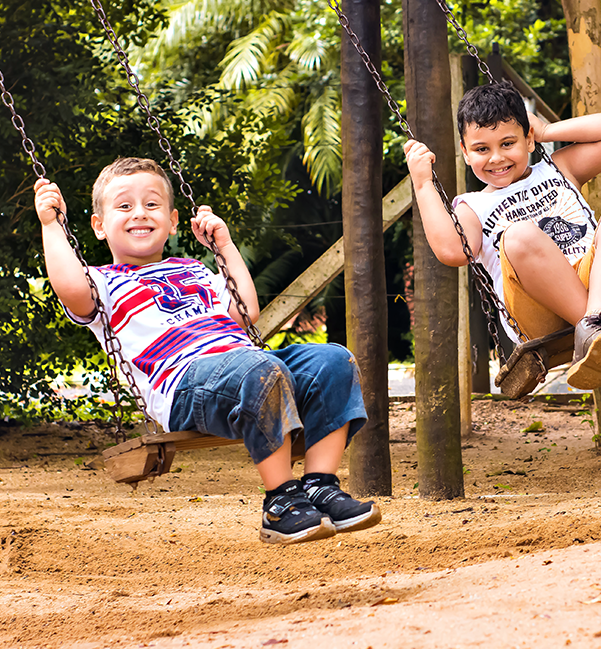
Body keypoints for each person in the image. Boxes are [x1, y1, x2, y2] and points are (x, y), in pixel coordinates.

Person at [33, 157, 379, 545]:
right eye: (124, 206)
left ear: (173, 221)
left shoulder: (194, 270)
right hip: (183, 385)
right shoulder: (102, 283)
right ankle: (281, 502)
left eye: (151, 204)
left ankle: (320, 486)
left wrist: (224, 246)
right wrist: (51, 225)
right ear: (99, 226)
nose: (140, 213)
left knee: (332, 360)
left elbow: (246, 312)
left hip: (246, 364)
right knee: (258, 369)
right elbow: (70, 288)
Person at [404, 80, 601, 391]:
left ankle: (596, 328)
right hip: (538, 309)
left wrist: (548, 131)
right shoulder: (473, 207)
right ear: (465, 153)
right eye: (482, 149)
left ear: (529, 139)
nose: (496, 157)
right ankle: (598, 332)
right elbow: (452, 251)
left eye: (508, 143)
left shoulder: (558, 169)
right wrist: (423, 184)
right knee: (519, 235)